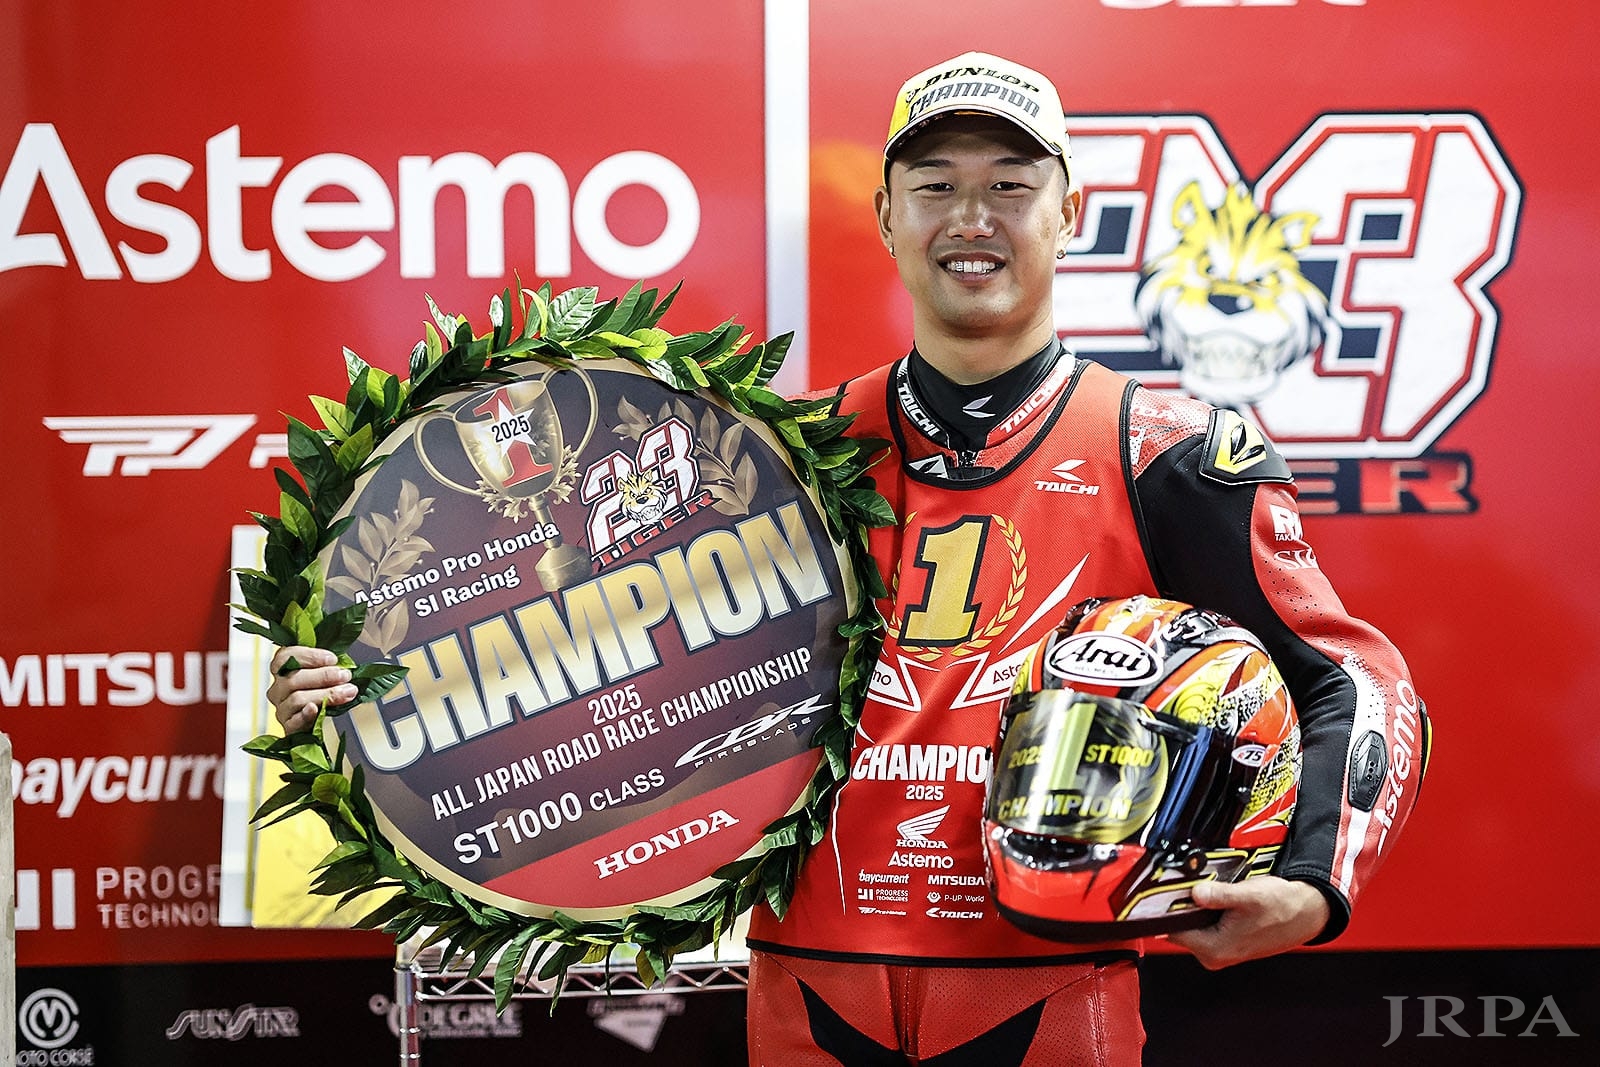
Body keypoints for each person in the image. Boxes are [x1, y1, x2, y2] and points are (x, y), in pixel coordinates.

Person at [271, 52, 1428, 1067]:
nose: (970, 216)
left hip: (1044, 980)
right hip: (803, 987)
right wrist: (359, 686)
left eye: (1009, 186)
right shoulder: (777, 456)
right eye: (935, 186)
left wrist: (1315, 881)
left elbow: (1352, 675)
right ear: (884, 215)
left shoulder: (1166, 452)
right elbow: (583, 646)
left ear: (1070, 212)